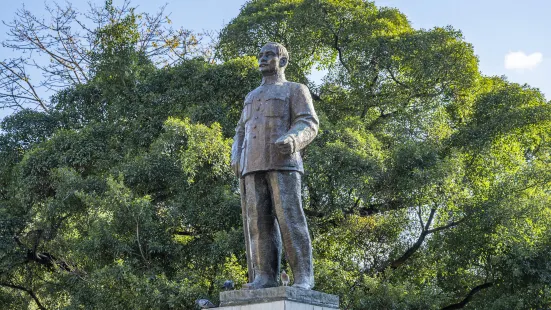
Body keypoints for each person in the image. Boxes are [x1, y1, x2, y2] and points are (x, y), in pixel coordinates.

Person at [231, 42, 319, 290]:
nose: (262, 58)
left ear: (282, 61)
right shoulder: (251, 96)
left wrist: (293, 140)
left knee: (290, 218)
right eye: (260, 55)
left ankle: (303, 277)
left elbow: (308, 122)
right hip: (251, 164)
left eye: (268, 55)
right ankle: (265, 276)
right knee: (258, 223)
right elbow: (240, 131)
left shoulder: (295, 90)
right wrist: (235, 155)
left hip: (283, 163)